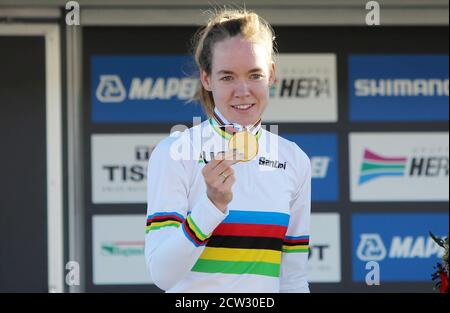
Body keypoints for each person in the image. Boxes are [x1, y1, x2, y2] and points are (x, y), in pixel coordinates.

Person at [145, 8, 311, 293]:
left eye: (254, 74)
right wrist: (211, 207)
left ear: (271, 74)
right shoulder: (176, 152)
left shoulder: (294, 159)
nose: (243, 90)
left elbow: (293, 278)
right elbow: (162, 274)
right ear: (206, 79)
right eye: (227, 77)